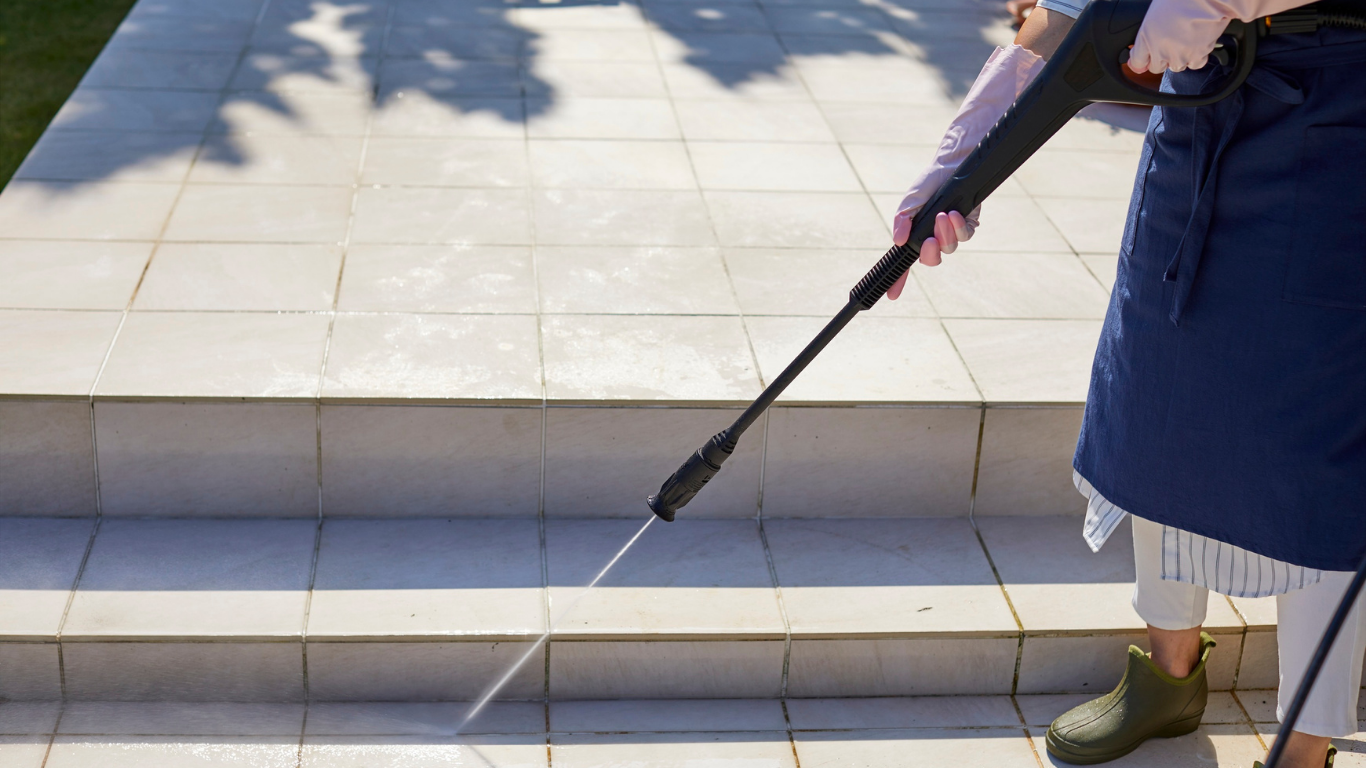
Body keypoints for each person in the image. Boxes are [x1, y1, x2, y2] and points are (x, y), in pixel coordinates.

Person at [889, 1, 1366, 766]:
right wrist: (965, 160)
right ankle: (1166, 676)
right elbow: (1073, 13)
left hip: (1344, 109)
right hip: (1205, 99)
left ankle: (1306, 743)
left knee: (1318, 447)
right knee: (1159, 397)